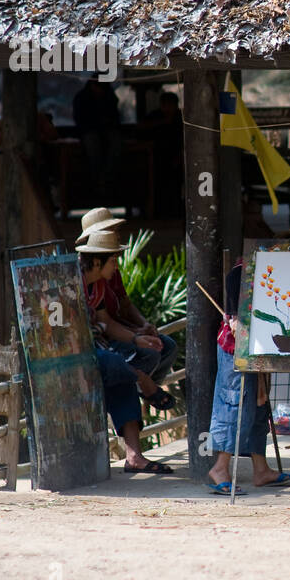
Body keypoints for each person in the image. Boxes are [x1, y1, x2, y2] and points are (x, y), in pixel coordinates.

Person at [78, 230, 173, 474]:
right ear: (97, 261)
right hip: (74, 353)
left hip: (98, 347)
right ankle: (145, 383)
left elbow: (106, 322)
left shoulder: (97, 285)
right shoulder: (70, 281)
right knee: (117, 364)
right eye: (113, 260)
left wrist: (136, 338)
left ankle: (134, 458)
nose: (117, 265)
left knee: (123, 374)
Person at [208, 259, 290, 494]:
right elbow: (235, 277)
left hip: (260, 347)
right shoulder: (250, 263)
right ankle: (220, 468)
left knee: (258, 408)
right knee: (235, 405)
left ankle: (261, 470)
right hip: (236, 347)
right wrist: (235, 316)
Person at [76, 207, 179, 385]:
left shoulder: (106, 274)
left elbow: (119, 307)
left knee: (167, 346)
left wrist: (141, 327)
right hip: (96, 343)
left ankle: (144, 389)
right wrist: (134, 337)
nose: (116, 235)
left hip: (113, 332)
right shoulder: (76, 278)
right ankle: (137, 388)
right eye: (109, 232)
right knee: (147, 355)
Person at [72, 78, 121, 202]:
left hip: (107, 132)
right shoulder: (82, 98)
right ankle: (97, 181)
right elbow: (81, 120)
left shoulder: (109, 96)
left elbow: (115, 117)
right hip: (88, 132)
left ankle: (107, 179)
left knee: (116, 142)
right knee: (92, 145)